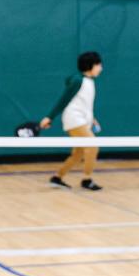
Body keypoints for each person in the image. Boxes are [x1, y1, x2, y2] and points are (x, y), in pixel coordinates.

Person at [39, 51, 103, 191]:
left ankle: (57, 177)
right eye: (98, 65)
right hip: (74, 119)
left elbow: (83, 104)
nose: (101, 68)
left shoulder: (89, 81)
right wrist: (49, 117)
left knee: (79, 153)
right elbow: (64, 100)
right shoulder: (78, 80)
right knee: (93, 145)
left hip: (82, 119)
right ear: (90, 65)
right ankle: (87, 179)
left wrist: (93, 119)